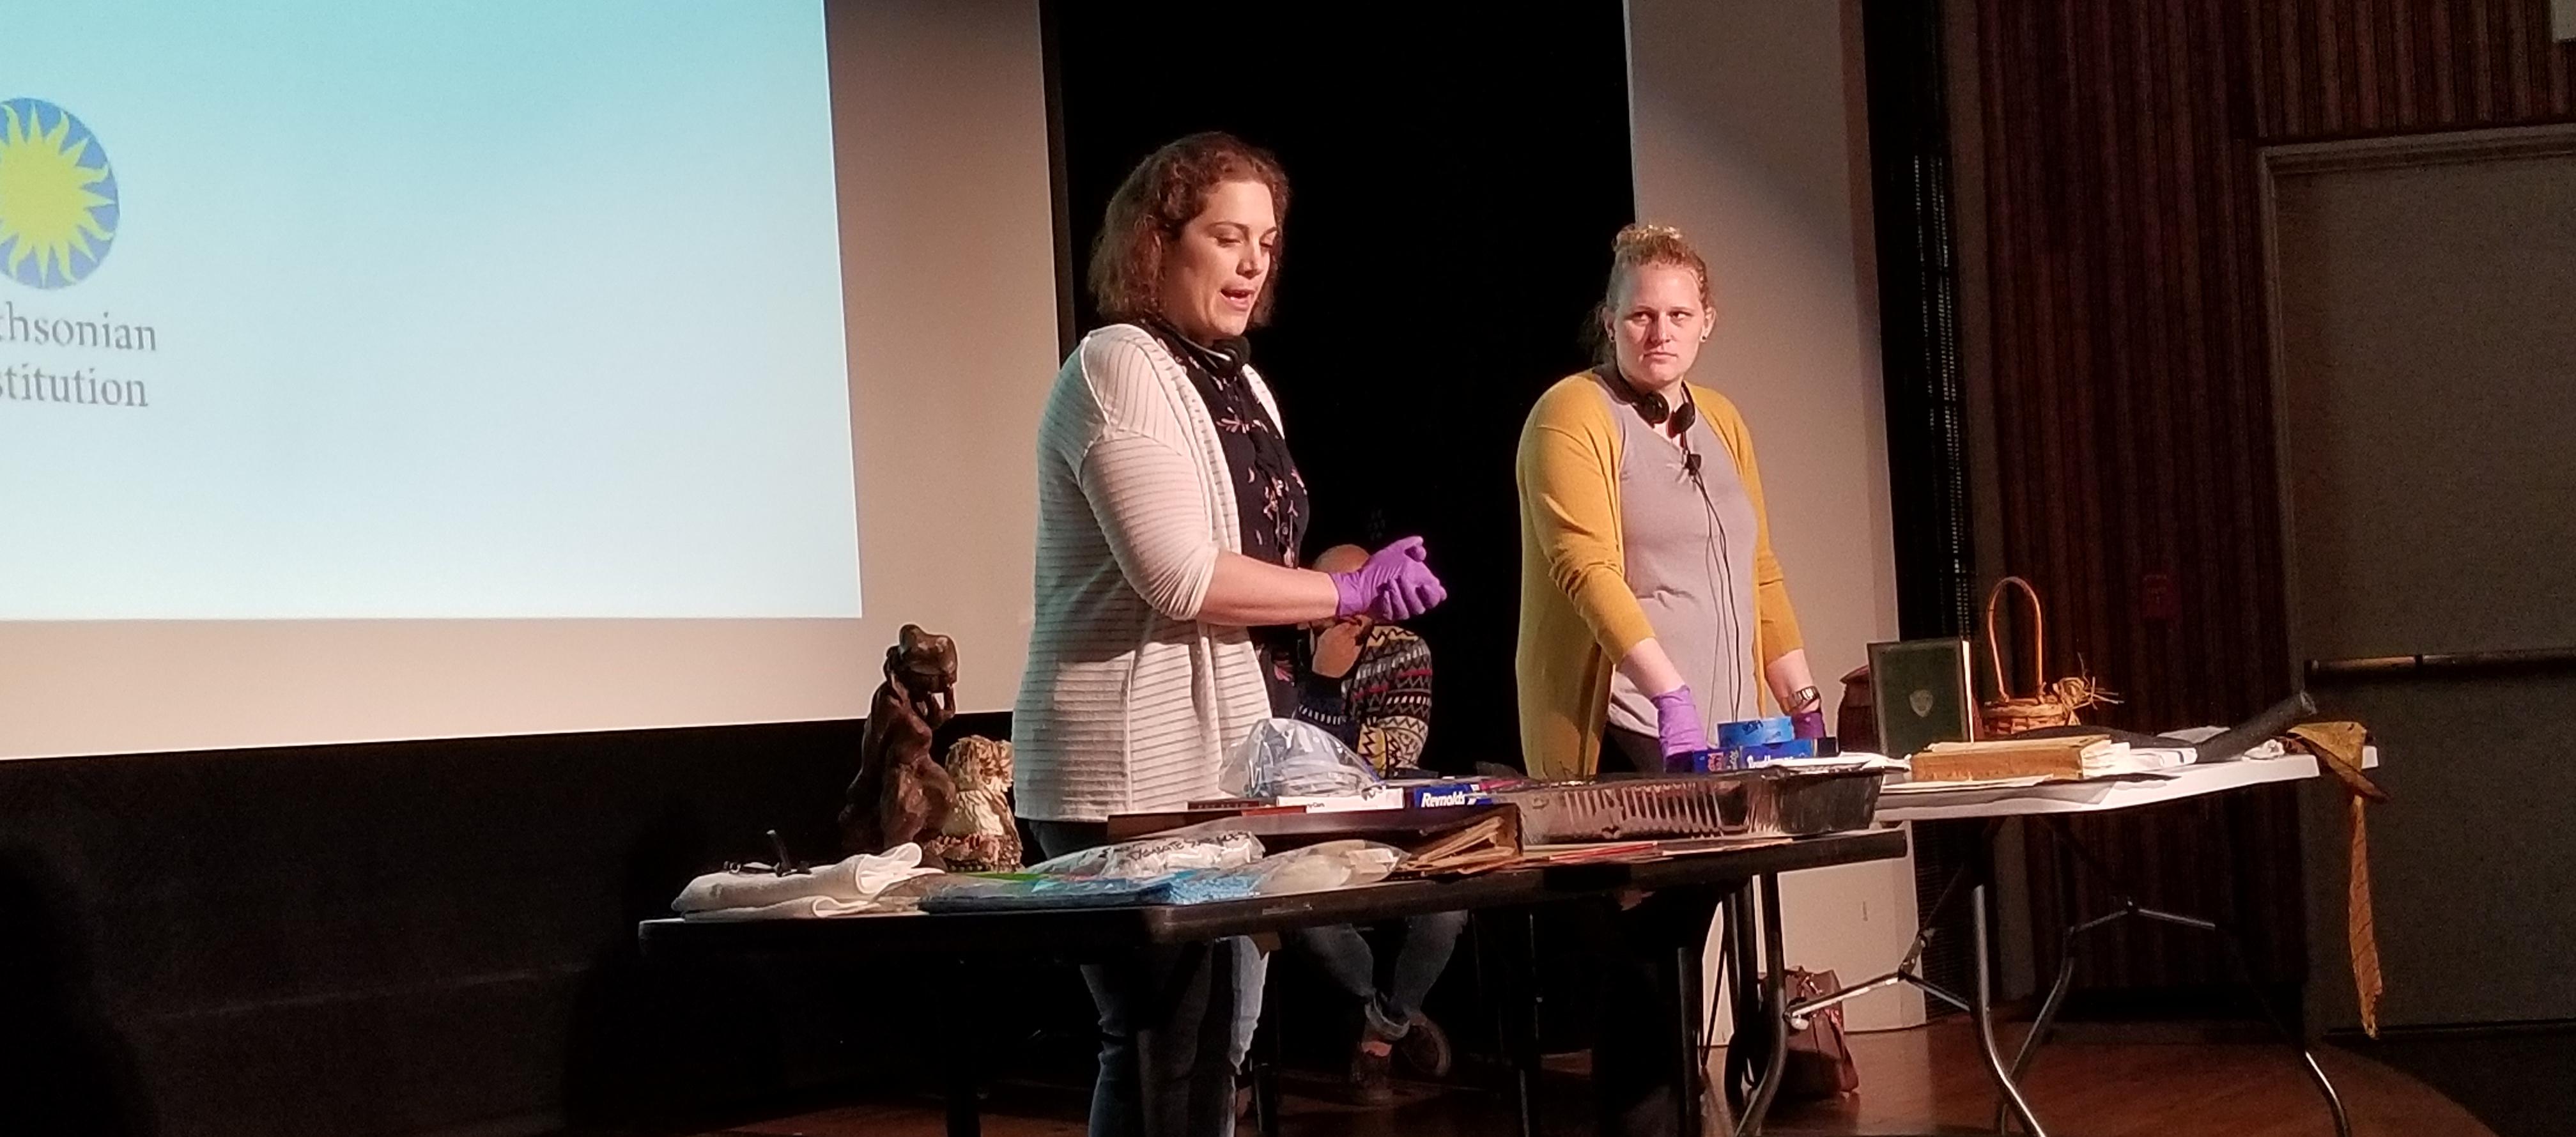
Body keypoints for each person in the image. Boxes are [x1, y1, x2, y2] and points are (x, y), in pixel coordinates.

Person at [1013, 132, 1447, 1137]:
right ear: (1157, 244)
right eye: (1225, 236)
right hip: (1123, 768)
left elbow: (1256, 570)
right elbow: (1179, 575)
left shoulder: (1242, 385)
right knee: (1165, 1040)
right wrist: (1344, 595)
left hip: (1220, 763)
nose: (1253, 262)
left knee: (1216, 1044)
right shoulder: (1116, 365)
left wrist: (1347, 601)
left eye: (1267, 240)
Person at [1513, 223, 1821, 1136]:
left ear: (1706, 321)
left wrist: (1798, 698)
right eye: (1638, 313)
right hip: (1621, 730)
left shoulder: (1719, 418)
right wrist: (1668, 692)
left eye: (1677, 313)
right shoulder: (1570, 412)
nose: (1658, 331)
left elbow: (1756, 569)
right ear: (1607, 319)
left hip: (1725, 741)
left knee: (1681, 961)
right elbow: (1582, 566)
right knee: (1644, 970)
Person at [1280, 544, 1461, 1105]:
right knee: (1311, 920)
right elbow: (1283, 759)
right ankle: (1392, 1018)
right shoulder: (1278, 651)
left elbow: (1395, 752)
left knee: (1447, 911)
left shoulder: (1404, 650)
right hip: (1304, 828)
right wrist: (1320, 684)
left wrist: (1325, 692)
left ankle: (1381, 1031)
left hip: (1386, 822)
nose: (1311, 610)